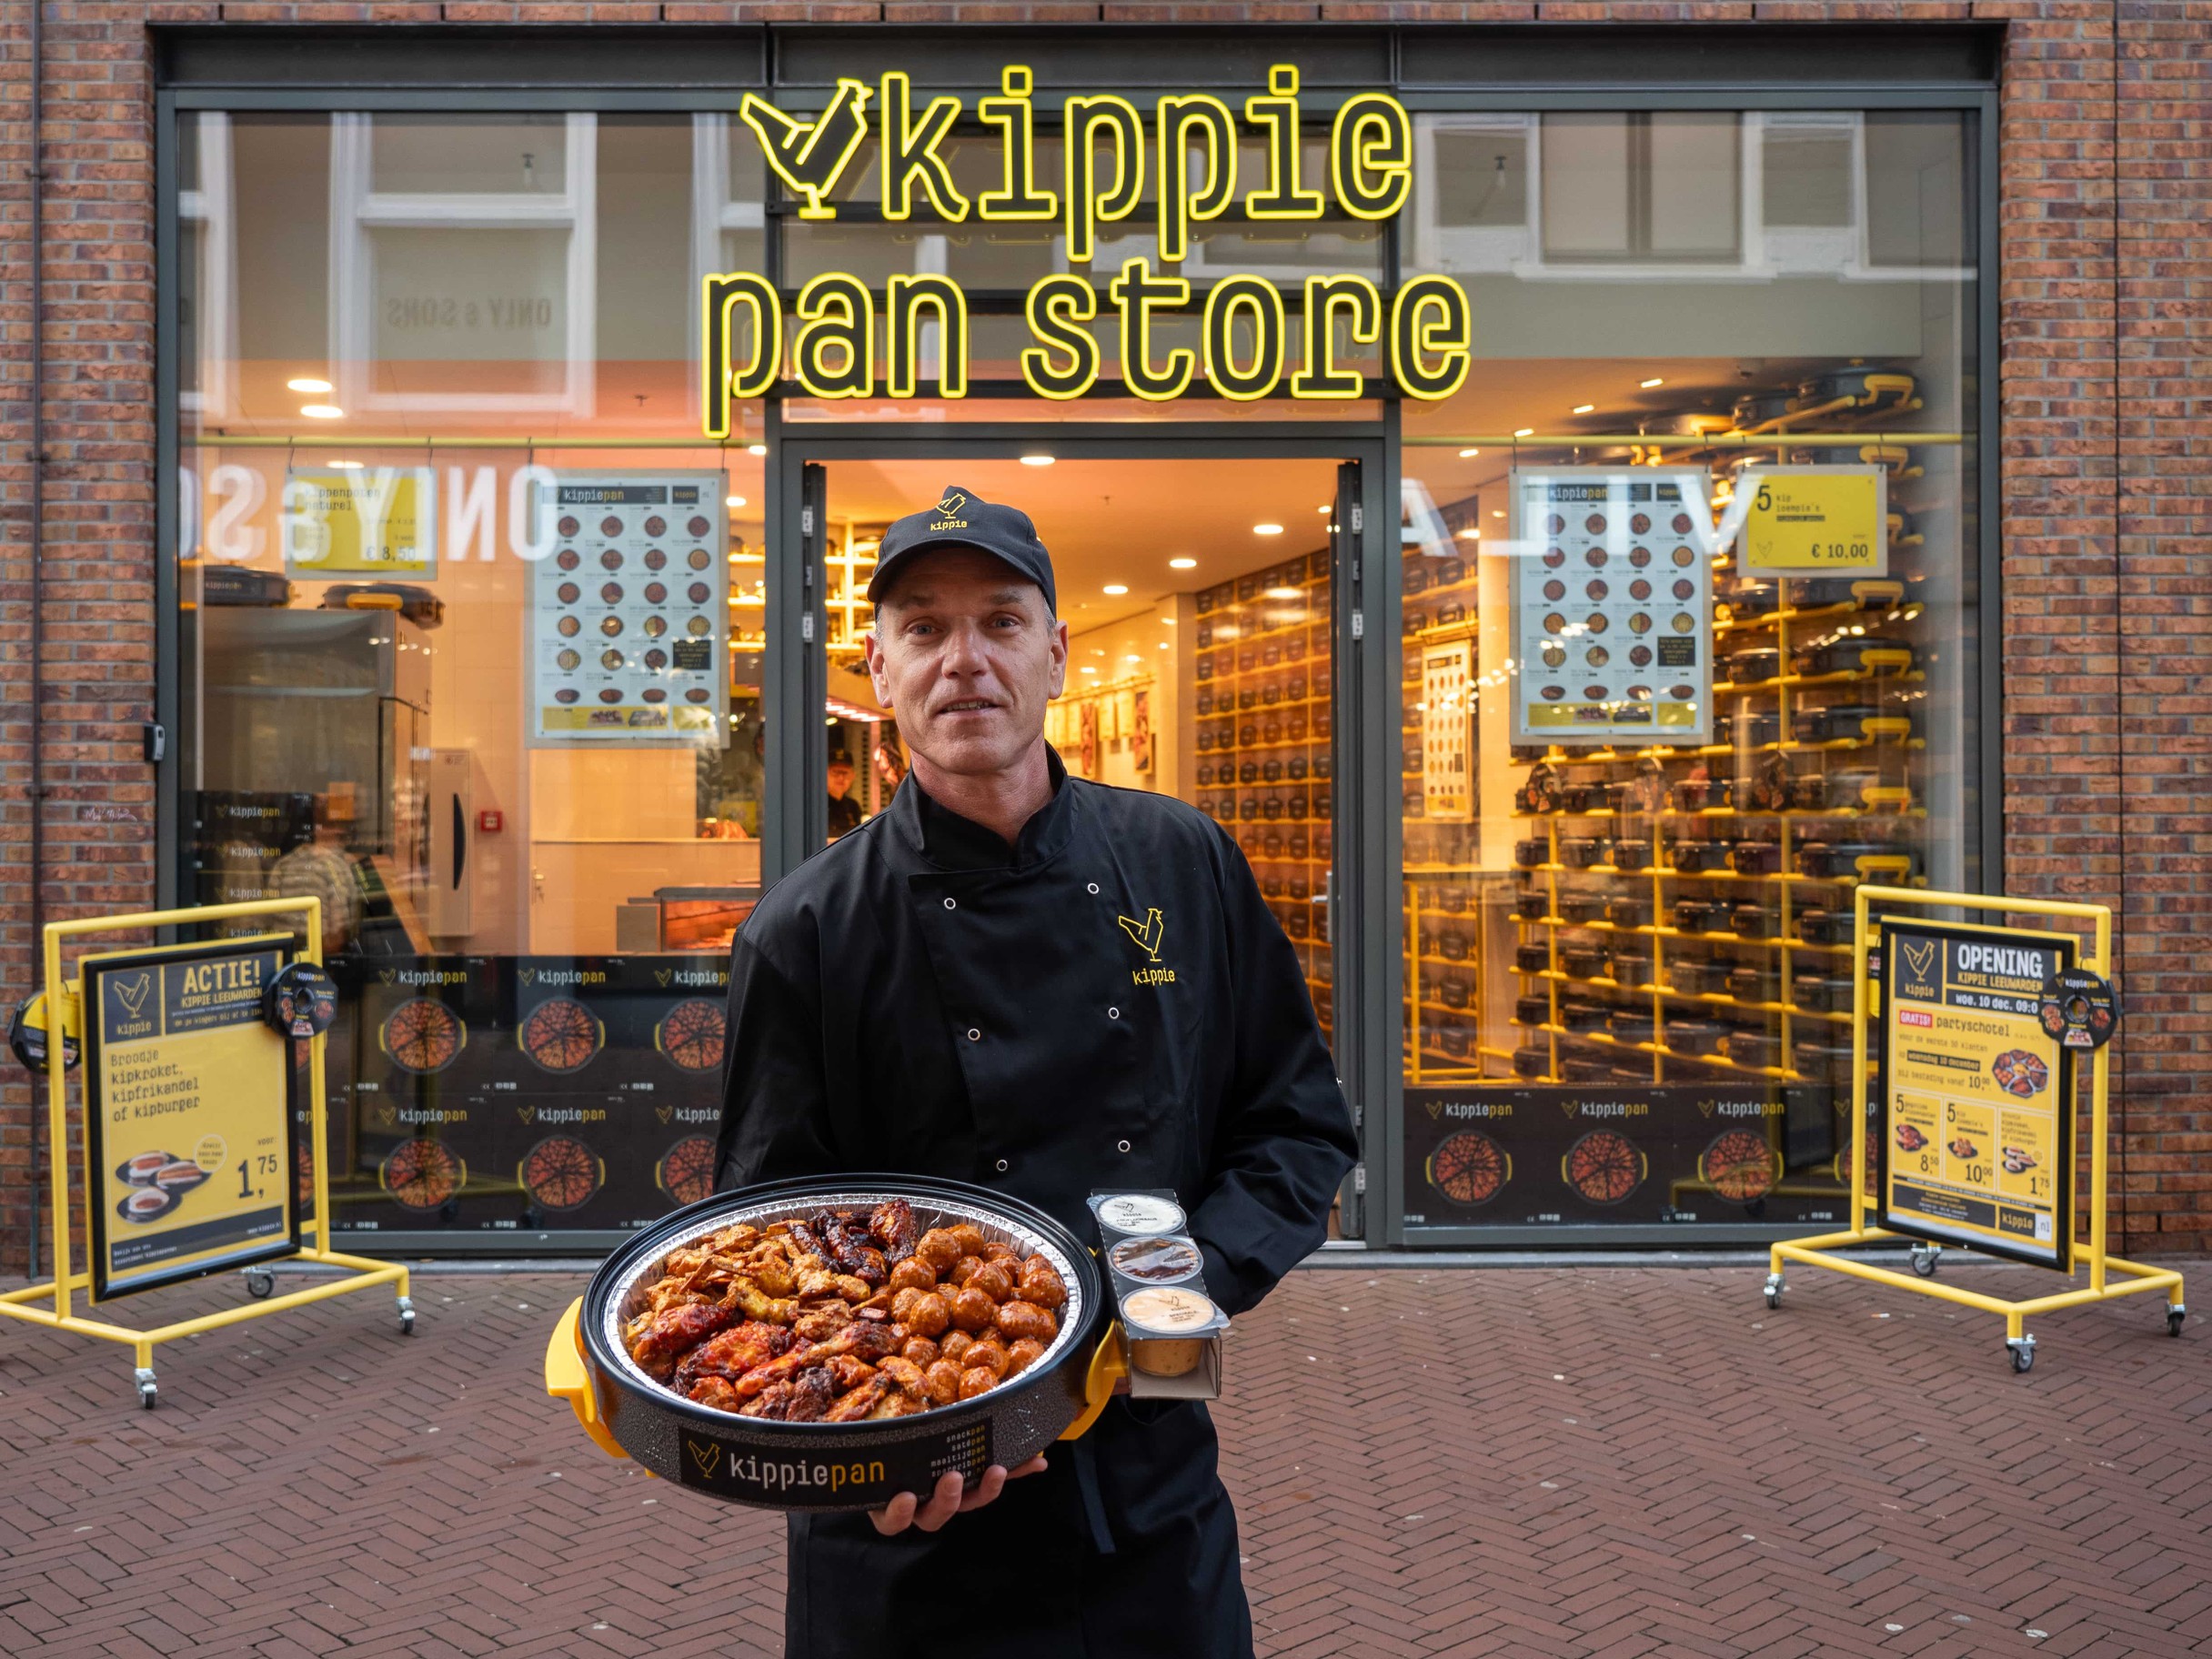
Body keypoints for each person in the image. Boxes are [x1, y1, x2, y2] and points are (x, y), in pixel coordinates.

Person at [717, 485, 1357, 1659]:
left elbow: (1300, 1127)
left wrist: (1181, 1280)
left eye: (1001, 623)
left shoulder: (1184, 864)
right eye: (924, 628)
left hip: (1150, 1519)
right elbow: (771, 1246)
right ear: (878, 670)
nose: (965, 661)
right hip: (904, 1539)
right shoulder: (804, 933)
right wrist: (868, 1445)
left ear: (1057, 654)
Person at [270, 789, 364, 958]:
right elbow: (338, 934)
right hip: (323, 963)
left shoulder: (282, 865)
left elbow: (268, 923)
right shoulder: (337, 867)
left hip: (284, 961)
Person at [825, 746, 863, 840]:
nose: (841, 778)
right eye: (836, 772)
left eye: (845, 773)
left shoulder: (853, 806)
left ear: (853, 776)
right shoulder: (816, 806)